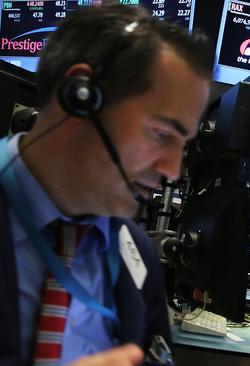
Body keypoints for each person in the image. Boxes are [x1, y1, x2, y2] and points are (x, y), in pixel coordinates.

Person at [0, 5, 211, 366]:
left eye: (184, 145)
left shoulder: (137, 252)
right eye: (161, 133)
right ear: (80, 97)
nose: (173, 170)